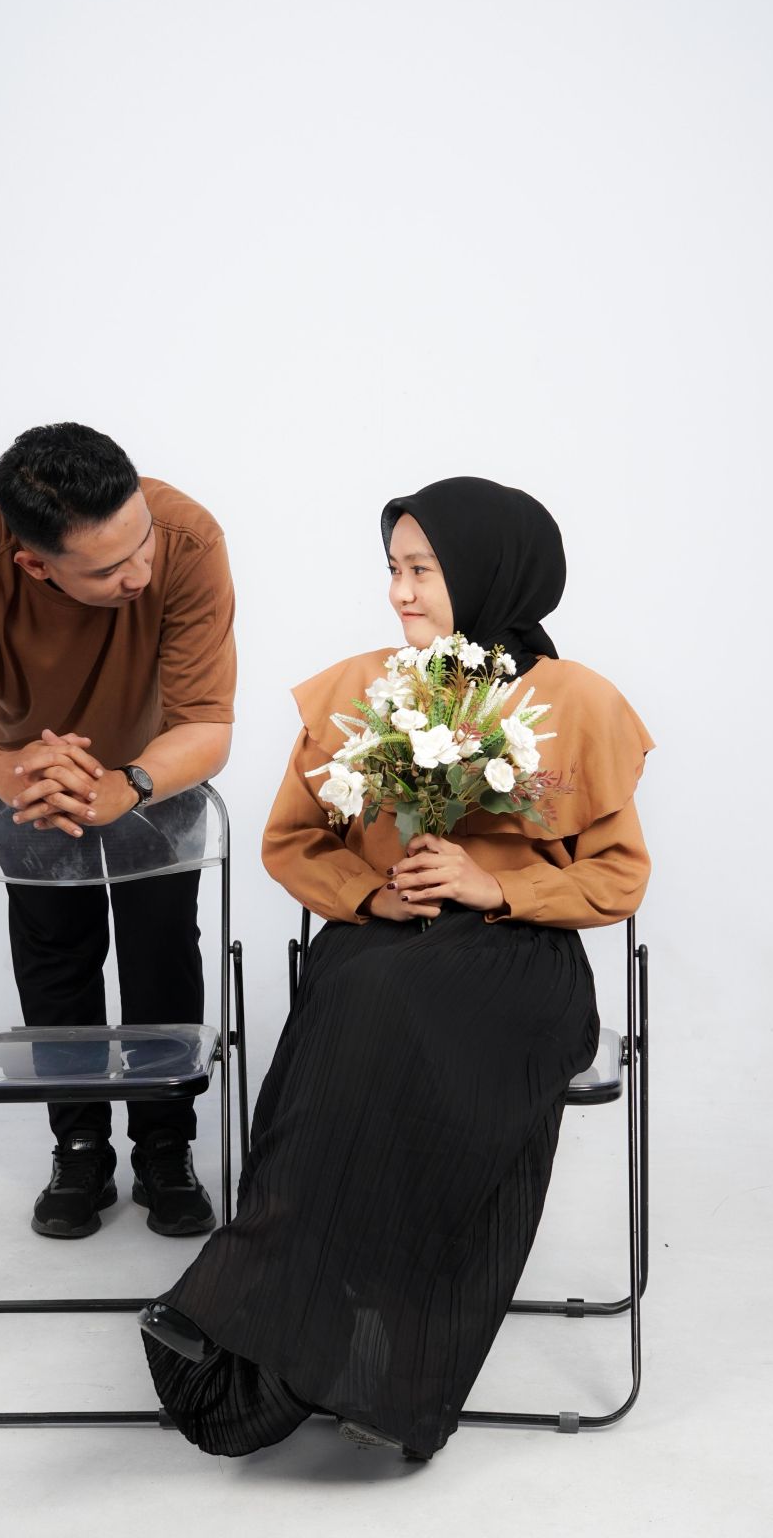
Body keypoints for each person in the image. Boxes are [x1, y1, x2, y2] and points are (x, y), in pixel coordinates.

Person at [138, 475, 653, 1460]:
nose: (398, 592)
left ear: (488, 572)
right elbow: (293, 841)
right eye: (391, 569)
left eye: (421, 570)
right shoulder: (358, 687)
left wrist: (493, 884)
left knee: (374, 999)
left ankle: (242, 1301)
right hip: (381, 941)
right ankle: (327, 1343)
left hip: (516, 962)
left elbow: (618, 875)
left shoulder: (576, 701)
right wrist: (371, 894)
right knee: (363, 996)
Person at [0, 422, 236, 1241]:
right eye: (109, 569)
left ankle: (165, 1144)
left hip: (157, 774)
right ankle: (79, 1145)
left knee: (161, 951)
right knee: (55, 953)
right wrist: (5, 770)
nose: (139, 572)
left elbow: (207, 724)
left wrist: (132, 784)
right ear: (34, 565)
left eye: (140, 544)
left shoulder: (188, 537)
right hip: (26, 778)